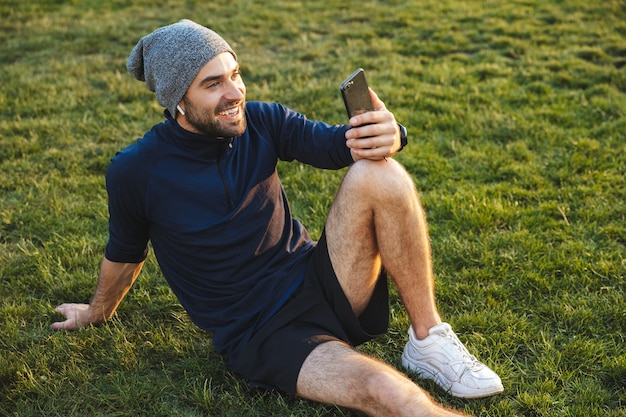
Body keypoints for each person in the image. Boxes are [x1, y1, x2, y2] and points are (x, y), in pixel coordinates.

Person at [51, 19, 503, 416]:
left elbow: (337, 144)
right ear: (178, 101)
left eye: (235, 74)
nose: (235, 94)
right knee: (385, 391)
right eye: (213, 84)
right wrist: (97, 310)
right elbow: (126, 252)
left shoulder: (263, 122)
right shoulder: (136, 170)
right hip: (263, 334)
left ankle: (428, 340)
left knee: (378, 172)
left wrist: (390, 132)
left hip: (320, 281)